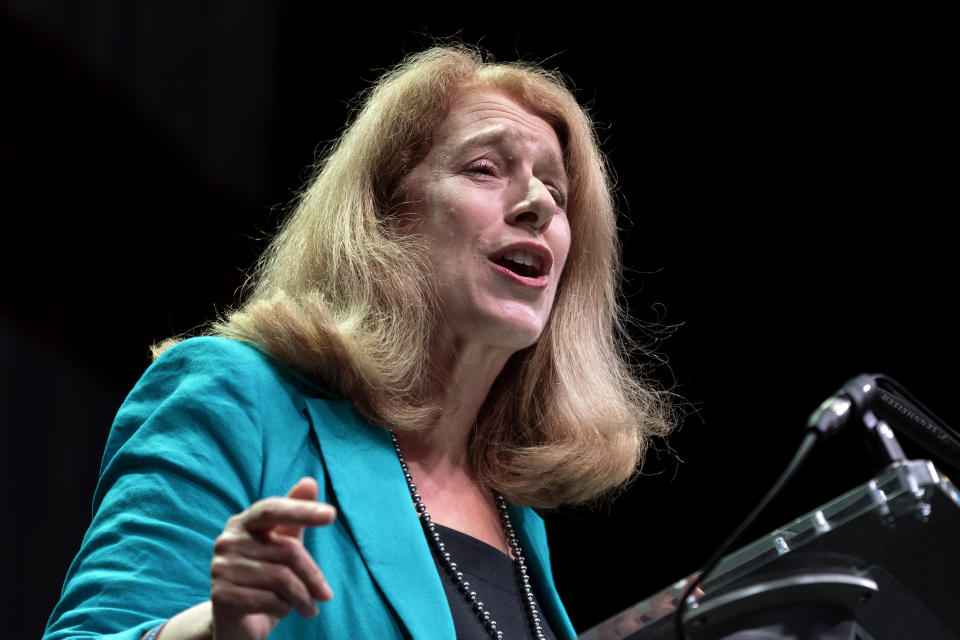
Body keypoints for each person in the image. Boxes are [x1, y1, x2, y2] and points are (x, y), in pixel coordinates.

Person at [44, 45, 672, 640]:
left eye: (557, 193)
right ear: (383, 216)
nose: (537, 202)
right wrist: (210, 627)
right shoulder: (237, 396)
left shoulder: (514, 515)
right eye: (486, 168)